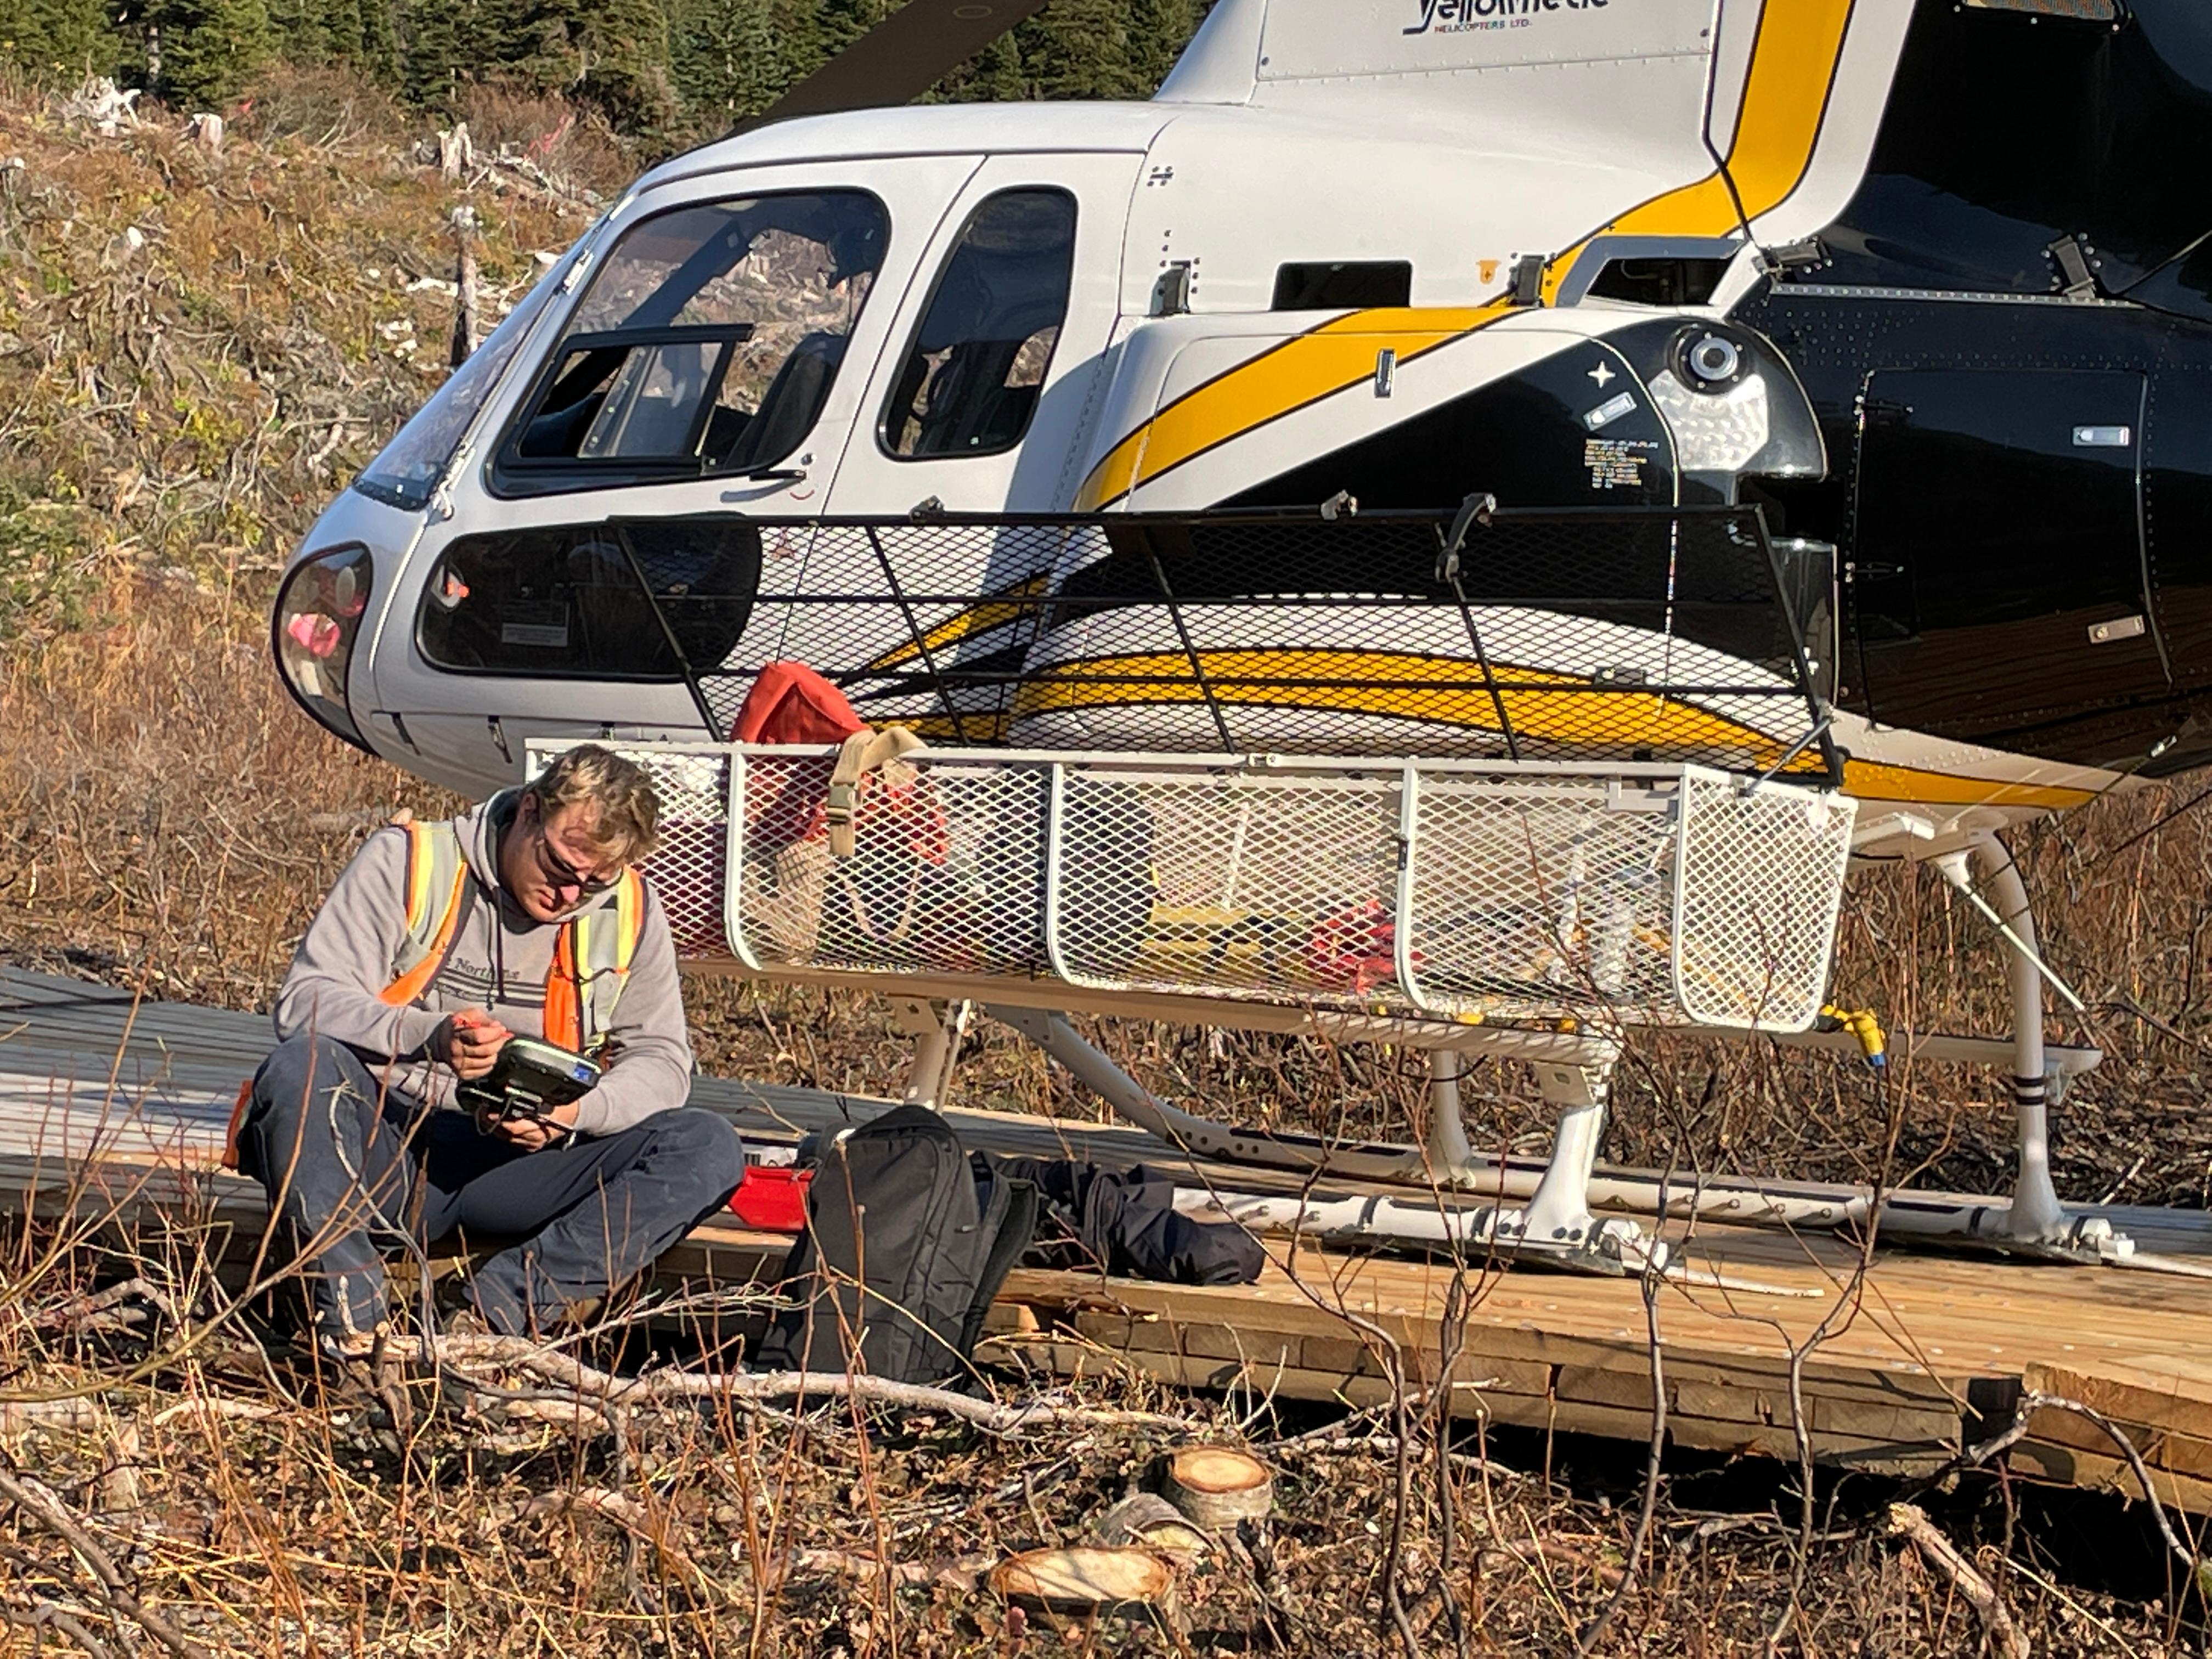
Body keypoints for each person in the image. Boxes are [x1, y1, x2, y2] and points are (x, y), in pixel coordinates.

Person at [235, 744, 744, 1357]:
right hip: (390, 1148)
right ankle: (353, 1325)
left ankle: (489, 1321)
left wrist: (573, 1117)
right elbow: (305, 1002)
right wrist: (428, 1037)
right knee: (298, 1068)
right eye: (560, 868)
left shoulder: (629, 908)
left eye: (594, 884)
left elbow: (662, 1058)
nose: (569, 896)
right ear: (529, 810)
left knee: (706, 1145)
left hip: (522, 1169)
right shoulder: (409, 861)